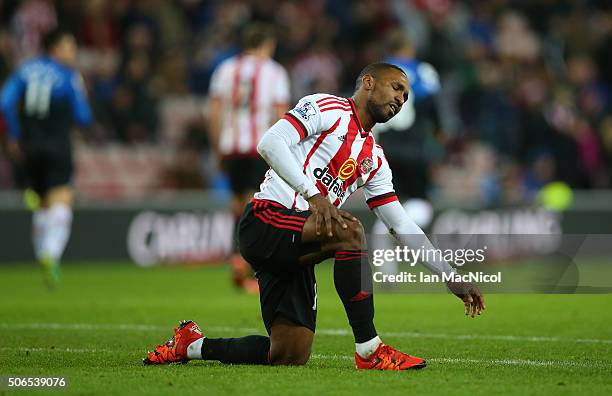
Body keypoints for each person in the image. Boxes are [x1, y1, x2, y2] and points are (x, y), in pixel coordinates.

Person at [144, 63, 485, 370]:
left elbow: (401, 224)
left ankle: (192, 346)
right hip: (266, 219)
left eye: (406, 95)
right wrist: (314, 195)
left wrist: (448, 274)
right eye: (396, 87)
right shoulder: (327, 107)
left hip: (299, 244)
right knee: (350, 231)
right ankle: (370, 350)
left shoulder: (375, 158)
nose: (401, 98)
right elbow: (270, 142)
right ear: (368, 82)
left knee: (290, 354)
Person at [0, 28, 92, 287]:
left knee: (42, 203)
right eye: (69, 45)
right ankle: (51, 254)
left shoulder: (24, 70)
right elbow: (83, 116)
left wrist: (13, 136)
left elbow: (4, 103)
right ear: (55, 48)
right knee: (62, 199)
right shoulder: (69, 76)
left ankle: (41, 254)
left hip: (28, 147)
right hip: (58, 144)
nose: (73, 51)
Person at [207, 23, 290, 293]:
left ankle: (236, 259)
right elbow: (281, 114)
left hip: (231, 145)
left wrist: (218, 146)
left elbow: (215, 112)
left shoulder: (225, 69)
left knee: (237, 205)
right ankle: (252, 268)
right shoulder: (274, 71)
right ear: (267, 45)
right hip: (260, 147)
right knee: (259, 208)